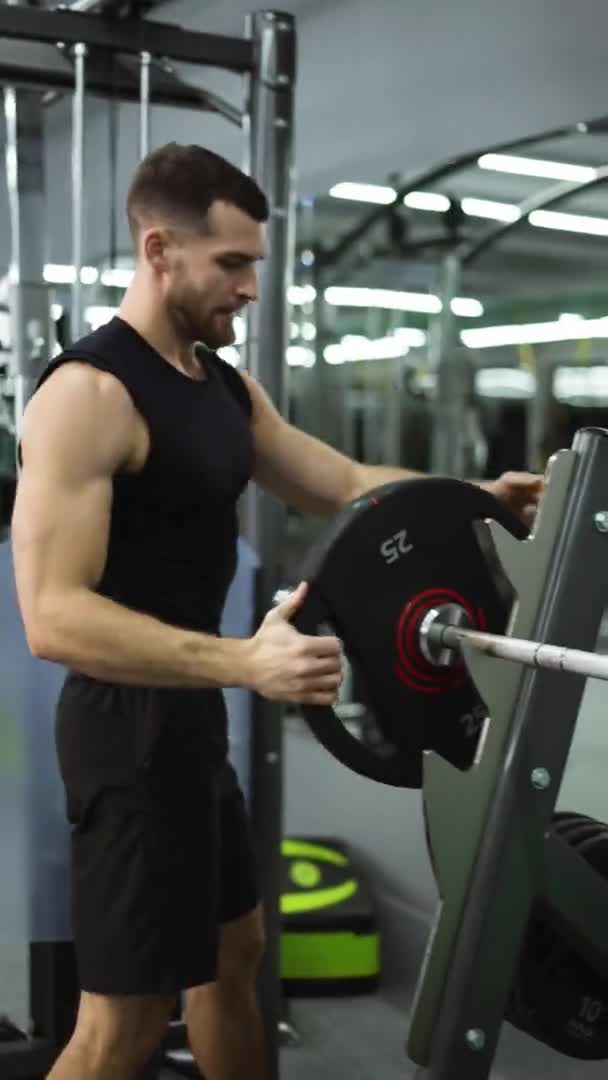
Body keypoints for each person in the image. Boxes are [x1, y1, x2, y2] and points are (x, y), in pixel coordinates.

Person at [11, 143, 542, 1080]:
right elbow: (51, 618)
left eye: (255, 262)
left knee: (233, 962)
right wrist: (241, 662)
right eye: (233, 263)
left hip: (191, 722)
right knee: (122, 1030)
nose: (253, 287)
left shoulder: (220, 389)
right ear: (159, 248)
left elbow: (343, 482)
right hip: (123, 733)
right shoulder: (89, 395)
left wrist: (474, 500)